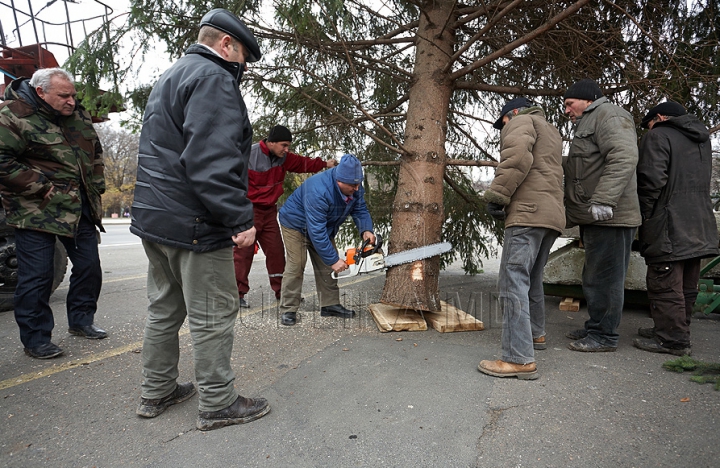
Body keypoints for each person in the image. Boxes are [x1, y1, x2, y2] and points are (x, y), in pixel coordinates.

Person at [130, 8, 270, 432]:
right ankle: (218, 402)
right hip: (194, 222)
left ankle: (156, 391)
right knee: (213, 313)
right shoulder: (213, 78)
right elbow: (211, 160)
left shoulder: (175, 74)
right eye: (243, 56)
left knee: (164, 310)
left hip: (155, 218)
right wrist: (238, 218)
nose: (243, 66)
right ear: (226, 44)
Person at [0, 68, 107, 359]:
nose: (71, 101)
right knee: (37, 277)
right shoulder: (13, 115)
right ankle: (36, 338)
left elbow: (94, 151)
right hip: (35, 210)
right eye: (64, 95)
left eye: (73, 94)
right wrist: (39, 186)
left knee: (89, 267)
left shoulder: (78, 115)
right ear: (40, 92)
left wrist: (97, 184)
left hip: (78, 207)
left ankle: (82, 321)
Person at [477, 98, 565, 380]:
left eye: (503, 121)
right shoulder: (551, 130)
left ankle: (518, 358)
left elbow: (517, 158)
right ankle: (536, 335)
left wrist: (498, 196)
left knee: (512, 280)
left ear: (511, 114)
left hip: (528, 213)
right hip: (551, 215)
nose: (503, 127)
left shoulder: (520, 121)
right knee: (531, 278)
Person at [562, 78, 642, 352]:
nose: (566, 110)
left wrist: (605, 199)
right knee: (595, 275)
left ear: (587, 99)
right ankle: (597, 327)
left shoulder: (609, 115)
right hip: (597, 216)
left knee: (606, 279)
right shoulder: (590, 120)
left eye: (569, 103)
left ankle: (604, 337)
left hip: (611, 216)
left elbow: (624, 156)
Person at [634, 101, 718, 356]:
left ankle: (672, 340)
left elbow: (651, 181)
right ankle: (673, 328)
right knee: (687, 282)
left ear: (659, 117)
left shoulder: (659, 135)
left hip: (669, 221)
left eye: (649, 124)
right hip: (699, 222)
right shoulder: (701, 139)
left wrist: (646, 216)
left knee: (665, 280)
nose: (649, 129)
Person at [233, 125, 337, 307]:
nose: (286, 149)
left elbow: (304, 164)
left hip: (269, 212)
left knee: (276, 253)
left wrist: (325, 165)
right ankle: (237, 294)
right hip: (248, 211)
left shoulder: (284, 158)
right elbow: (232, 181)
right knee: (243, 253)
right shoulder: (249, 155)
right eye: (283, 145)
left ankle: (282, 291)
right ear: (270, 142)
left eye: (288, 146)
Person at [278, 153, 375, 326]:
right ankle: (288, 309)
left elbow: (360, 209)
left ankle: (330, 305)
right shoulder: (318, 190)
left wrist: (366, 230)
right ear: (339, 181)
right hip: (295, 225)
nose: (357, 188)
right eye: (353, 185)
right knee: (297, 264)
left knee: (326, 265)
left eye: (358, 183)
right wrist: (333, 260)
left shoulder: (355, 186)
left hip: (323, 226)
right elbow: (316, 231)